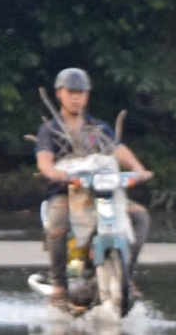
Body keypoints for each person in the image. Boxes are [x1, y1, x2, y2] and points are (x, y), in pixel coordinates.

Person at [34, 68, 153, 307]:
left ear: (87, 96)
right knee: (58, 224)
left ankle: (126, 275)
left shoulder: (97, 128)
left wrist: (138, 169)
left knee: (140, 216)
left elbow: (119, 150)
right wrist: (55, 173)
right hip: (66, 192)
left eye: (80, 93)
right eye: (70, 92)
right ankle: (59, 285)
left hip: (102, 193)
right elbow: (44, 160)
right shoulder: (51, 129)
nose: (75, 97)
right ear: (59, 94)